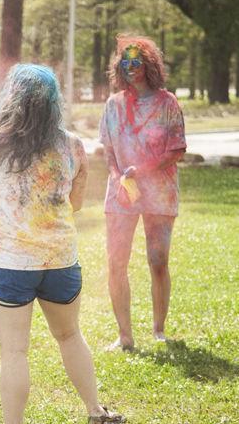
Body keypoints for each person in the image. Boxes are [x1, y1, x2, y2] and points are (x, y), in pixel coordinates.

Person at [0, 64, 125, 424]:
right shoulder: (72, 144)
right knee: (70, 336)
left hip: (10, 263)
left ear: (12, 97)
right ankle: (95, 411)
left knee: (14, 351)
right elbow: (75, 203)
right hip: (60, 261)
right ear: (54, 102)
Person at [99, 35, 186, 351]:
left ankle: (159, 330)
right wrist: (118, 177)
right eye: (126, 61)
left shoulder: (167, 103)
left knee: (158, 260)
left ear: (149, 65)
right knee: (116, 261)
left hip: (160, 195)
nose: (131, 67)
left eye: (137, 61)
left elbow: (177, 150)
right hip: (121, 194)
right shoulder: (113, 105)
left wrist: (142, 170)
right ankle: (124, 336)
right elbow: (108, 151)